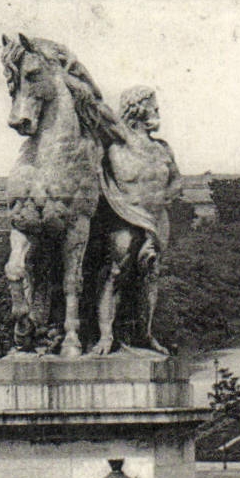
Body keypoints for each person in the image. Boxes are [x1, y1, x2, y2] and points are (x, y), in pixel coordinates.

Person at [90, 86, 184, 355]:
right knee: (116, 272)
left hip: (156, 220)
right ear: (138, 107)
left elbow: (177, 182)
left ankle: (144, 334)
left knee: (150, 276)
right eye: (153, 105)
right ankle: (105, 336)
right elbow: (96, 106)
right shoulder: (118, 140)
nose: (157, 111)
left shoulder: (162, 148)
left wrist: (164, 197)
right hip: (125, 216)